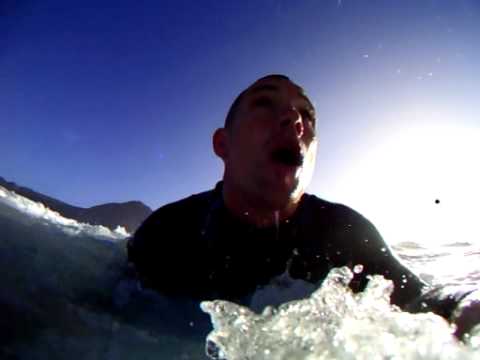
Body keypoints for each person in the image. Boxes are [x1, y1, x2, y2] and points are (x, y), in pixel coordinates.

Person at [127, 74, 478, 338]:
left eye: (306, 116)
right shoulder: (168, 233)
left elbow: (422, 299)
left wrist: (466, 305)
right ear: (223, 143)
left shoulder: (345, 233)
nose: (295, 121)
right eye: (265, 104)